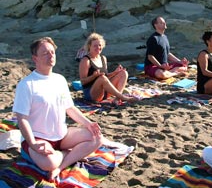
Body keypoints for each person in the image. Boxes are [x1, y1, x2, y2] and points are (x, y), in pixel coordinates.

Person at [12, 37, 107, 180]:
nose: (50, 56)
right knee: (49, 163)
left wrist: (88, 123)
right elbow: (22, 119)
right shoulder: (27, 84)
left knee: (97, 137)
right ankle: (66, 154)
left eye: (52, 52)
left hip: (61, 135)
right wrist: (33, 143)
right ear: (35, 58)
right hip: (39, 138)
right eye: (45, 53)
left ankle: (61, 166)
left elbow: (70, 108)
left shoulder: (60, 79)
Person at [79, 33, 136, 102]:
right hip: (92, 94)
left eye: (99, 45)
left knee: (124, 73)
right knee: (102, 78)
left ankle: (117, 98)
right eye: (95, 46)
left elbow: (106, 77)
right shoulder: (86, 60)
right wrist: (94, 76)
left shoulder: (103, 58)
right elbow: (83, 82)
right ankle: (122, 97)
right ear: (89, 46)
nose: (98, 47)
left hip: (104, 91)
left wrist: (115, 73)